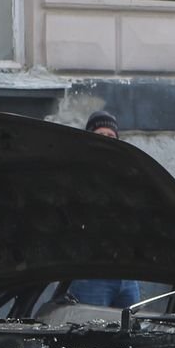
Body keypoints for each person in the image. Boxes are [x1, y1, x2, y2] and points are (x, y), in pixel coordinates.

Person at [67, 111, 143, 309]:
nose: (106, 140)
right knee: (90, 326)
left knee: (132, 326)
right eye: (100, 135)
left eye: (111, 136)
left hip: (127, 275)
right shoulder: (76, 174)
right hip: (91, 276)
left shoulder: (128, 173)